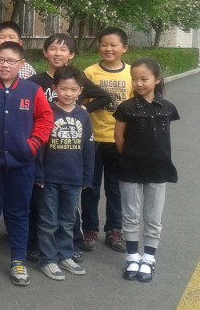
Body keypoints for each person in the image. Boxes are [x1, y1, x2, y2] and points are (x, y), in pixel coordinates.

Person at [0, 42, 54, 287]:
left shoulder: (32, 90)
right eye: (0, 60)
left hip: (23, 165)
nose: (5, 65)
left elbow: (46, 119)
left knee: (18, 213)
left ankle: (18, 260)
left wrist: (33, 144)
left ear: (21, 64)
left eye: (11, 61)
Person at [27, 33, 110, 263]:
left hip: (71, 165)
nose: (58, 53)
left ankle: (71, 247)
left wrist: (84, 110)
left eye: (63, 49)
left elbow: (104, 97)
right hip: (47, 156)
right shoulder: (35, 82)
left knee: (69, 212)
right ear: (45, 52)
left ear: (71, 54)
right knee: (42, 209)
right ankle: (39, 247)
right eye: (53, 48)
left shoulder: (77, 79)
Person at [114, 58, 179, 282]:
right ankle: (132, 256)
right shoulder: (126, 108)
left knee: (153, 216)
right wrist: (130, 158)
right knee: (130, 214)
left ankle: (149, 258)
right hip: (131, 168)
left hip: (159, 168)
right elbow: (119, 138)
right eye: (134, 79)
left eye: (144, 79)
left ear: (157, 80)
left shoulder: (167, 108)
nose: (139, 83)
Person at [34, 67, 94, 281]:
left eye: (73, 89)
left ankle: (65, 255)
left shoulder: (83, 115)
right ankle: (48, 259)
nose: (68, 93)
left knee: (68, 221)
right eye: (63, 88)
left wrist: (87, 177)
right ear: (54, 88)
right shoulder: (47, 112)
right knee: (48, 221)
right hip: (49, 179)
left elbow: (88, 149)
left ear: (80, 91)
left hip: (74, 178)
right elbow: (39, 147)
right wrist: (39, 174)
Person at [81, 27, 133, 254]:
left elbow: (135, 107)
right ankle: (89, 229)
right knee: (90, 188)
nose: (108, 49)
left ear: (124, 48)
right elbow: (81, 104)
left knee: (115, 188)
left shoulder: (131, 73)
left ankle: (114, 229)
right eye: (104, 44)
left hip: (119, 140)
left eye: (113, 45)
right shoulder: (90, 72)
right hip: (92, 139)